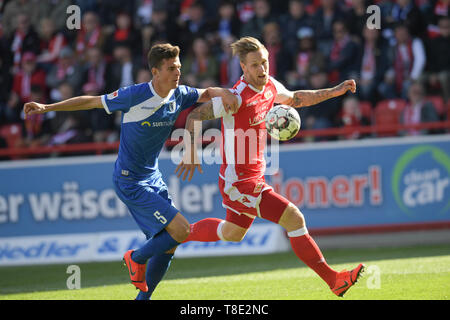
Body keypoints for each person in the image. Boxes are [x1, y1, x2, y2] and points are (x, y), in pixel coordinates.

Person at [23, 43, 238, 300]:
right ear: (155, 72)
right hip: (129, 180)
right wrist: (48, 108)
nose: (177, 72)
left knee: (168, 245)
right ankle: (134, 257)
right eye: (171, 68)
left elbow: (208, 92)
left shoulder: (179, 94)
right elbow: (91, 101)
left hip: (152, 177)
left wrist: (225, 93)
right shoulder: (135, 95)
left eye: (179, 67)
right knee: (181, 230)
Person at [175, 36, 364, 297]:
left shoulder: (271, 87)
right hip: (239, 182)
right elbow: (196, 114)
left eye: (264, 62)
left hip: (252, 178)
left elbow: (296, 98)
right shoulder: (236, 97)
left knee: (232, 233)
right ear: (243, 67)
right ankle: (334, 279)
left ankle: (171, 237)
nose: (262, 69)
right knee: (294, 218)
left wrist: (334, 91)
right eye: (255, 65)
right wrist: (191, 151)